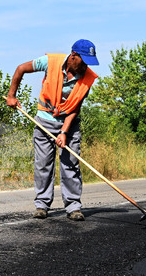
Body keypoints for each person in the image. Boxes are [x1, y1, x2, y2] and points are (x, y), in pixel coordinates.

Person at [6, 40, 99, 221]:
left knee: (71, 164)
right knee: (43, 165)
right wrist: (11, 95)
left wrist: (64, 132)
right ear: (73, 56)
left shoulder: (87, 78)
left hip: (70, 125)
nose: (86, 65)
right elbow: (20, 69)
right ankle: (42, 205)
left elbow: (75, 108)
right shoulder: (50, 62)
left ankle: (73, 207)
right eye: (84, 60)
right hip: (44, 121)